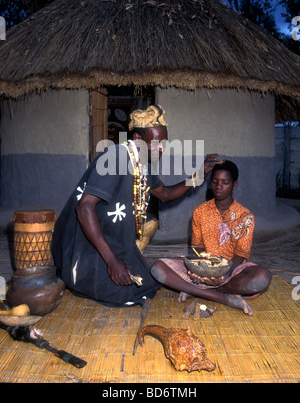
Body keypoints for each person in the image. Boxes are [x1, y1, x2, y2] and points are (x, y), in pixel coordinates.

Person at [52, 104, 221, 308]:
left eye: (164, 142)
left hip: (116, 243)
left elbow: (165, 194)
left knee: (145, 285)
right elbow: (84, 208)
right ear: (138, 139)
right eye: (157, 143)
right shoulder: (115, 158)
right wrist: (112, 262)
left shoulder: (143, 164)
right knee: (124, 293)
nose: (162, 148)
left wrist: (199, 175)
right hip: (87, 247)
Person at [150, 160, 272, 315]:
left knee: (261, 277)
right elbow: (197, 247)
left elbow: (241, 254)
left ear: (234, 184)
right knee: (157, 268)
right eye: (214, 181)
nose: (218, 186)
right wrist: (201, 270)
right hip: (203, 268)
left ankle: (195, 290)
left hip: (231, 272)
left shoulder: (245, 216)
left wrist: (223, 274)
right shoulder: (200, 212)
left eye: (225, 182)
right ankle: (225, 298)